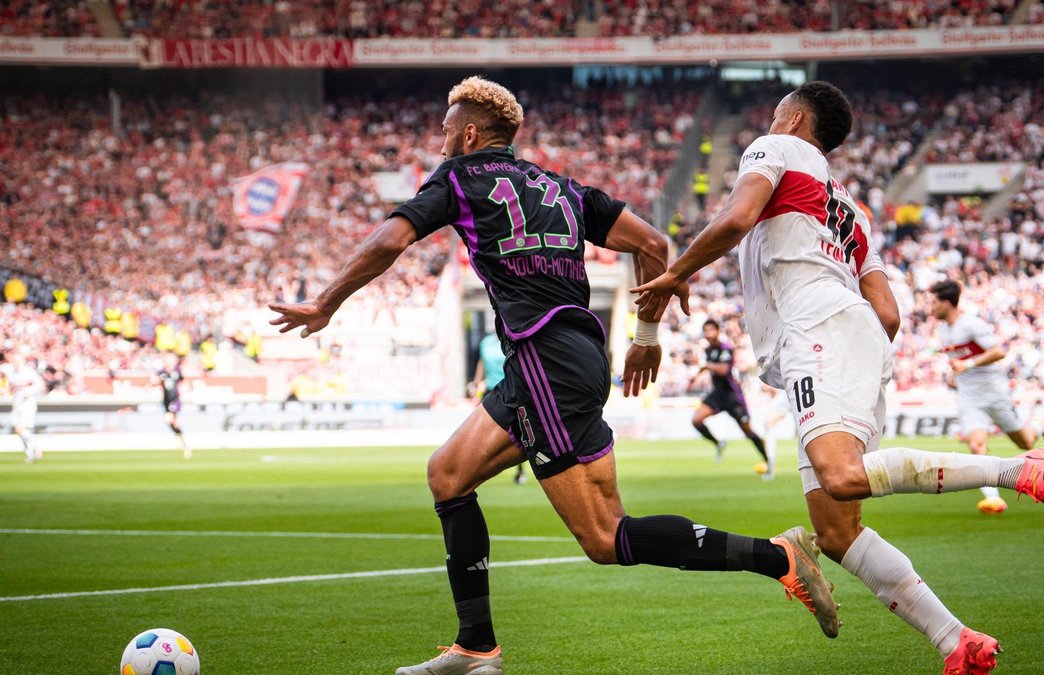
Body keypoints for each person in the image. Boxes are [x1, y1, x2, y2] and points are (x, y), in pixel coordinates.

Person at [268, 76, 839, 675]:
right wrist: (645, 337)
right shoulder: (559, 188)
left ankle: (777, 558)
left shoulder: (458, 179)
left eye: (444, 130)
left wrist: (328, 301)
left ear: (467, 133)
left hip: (546, 362)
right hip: (562, 360)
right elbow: (652, 241)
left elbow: (391, 240)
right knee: (448, 474)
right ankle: (476, 648)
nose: (440, 141)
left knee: (603, 537)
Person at [633, 81, 1044, 675]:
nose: (770, 121)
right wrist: (853, 355)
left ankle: (1020, 470)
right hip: (850, 335)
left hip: (816, 327)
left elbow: (737, 217)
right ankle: (956, 641)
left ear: (793, 118)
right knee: (837, 532)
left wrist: (675, 273)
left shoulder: (776, 148)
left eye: (776, 114)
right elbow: (889, 313)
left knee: (841, 478)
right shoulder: (854, 209)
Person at [929, 280, 1044, 513]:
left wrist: (967, 364)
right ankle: (993, 499)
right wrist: (954, 374)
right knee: (977, 443)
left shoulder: (971, 324)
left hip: (994, 392)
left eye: (934, 302)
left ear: (947, 303)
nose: (931, 307)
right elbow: (959, 359)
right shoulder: (943, 330)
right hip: (969, 396)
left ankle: (1038, 426)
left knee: (1024, 442)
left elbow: (998, 352)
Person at [691, 319, 774, 478]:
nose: (708, 334)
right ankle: (719, 443)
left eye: (711, 330)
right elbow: (708, 367)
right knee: (696, 420)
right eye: (705, 331)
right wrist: (695, 377)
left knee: (748, 431)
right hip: (717, 394)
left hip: (731, 396)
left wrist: (706, 366)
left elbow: (723, 370)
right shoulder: (708, 351)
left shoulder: (726, 348)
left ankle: (768, 461)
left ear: (717, 331)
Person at [472, 330, 525, 483]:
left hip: (508, 389)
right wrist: (476, 382)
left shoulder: (512, 340)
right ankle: (481, 467)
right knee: (481, 431)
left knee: (516, 433)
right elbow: (481, 363)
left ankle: (519, 470)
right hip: (489, 391)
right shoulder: (486, 343)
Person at [3, 351, 43, 464]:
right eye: (13, 360)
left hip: (28, 404)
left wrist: (29, 391)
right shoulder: (11, 373)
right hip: (17, 403)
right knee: (18, 429)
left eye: (17, 360)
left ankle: (31, 452)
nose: (15, 363)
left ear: (22, 361)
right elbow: (10, 387)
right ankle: (33, 449)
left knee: (21, 429)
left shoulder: (29, 372)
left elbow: (40, 385)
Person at [153, 353, 191, 459]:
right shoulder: (162, 373)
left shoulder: (177, 371)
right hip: (166, 401)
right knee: (173, 423)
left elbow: (184, 381)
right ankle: (182, 441)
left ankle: (183, 444)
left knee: (169, 419)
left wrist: (185, 389)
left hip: (174, 401)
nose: (170, 362)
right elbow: (157, 382)